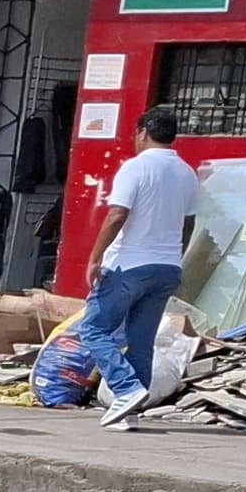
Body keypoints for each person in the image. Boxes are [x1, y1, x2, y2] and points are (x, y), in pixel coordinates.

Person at [77, 108, 195, 425]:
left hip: (128, 266)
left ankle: (126, 388)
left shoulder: (135, 167)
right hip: (167, 269)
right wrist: (175, 256)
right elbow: (189, 224)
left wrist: (95, 257)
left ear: (143, 132)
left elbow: (117, 215)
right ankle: (129, 415)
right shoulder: (186, 173)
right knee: (141, 342)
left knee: (93, 329)